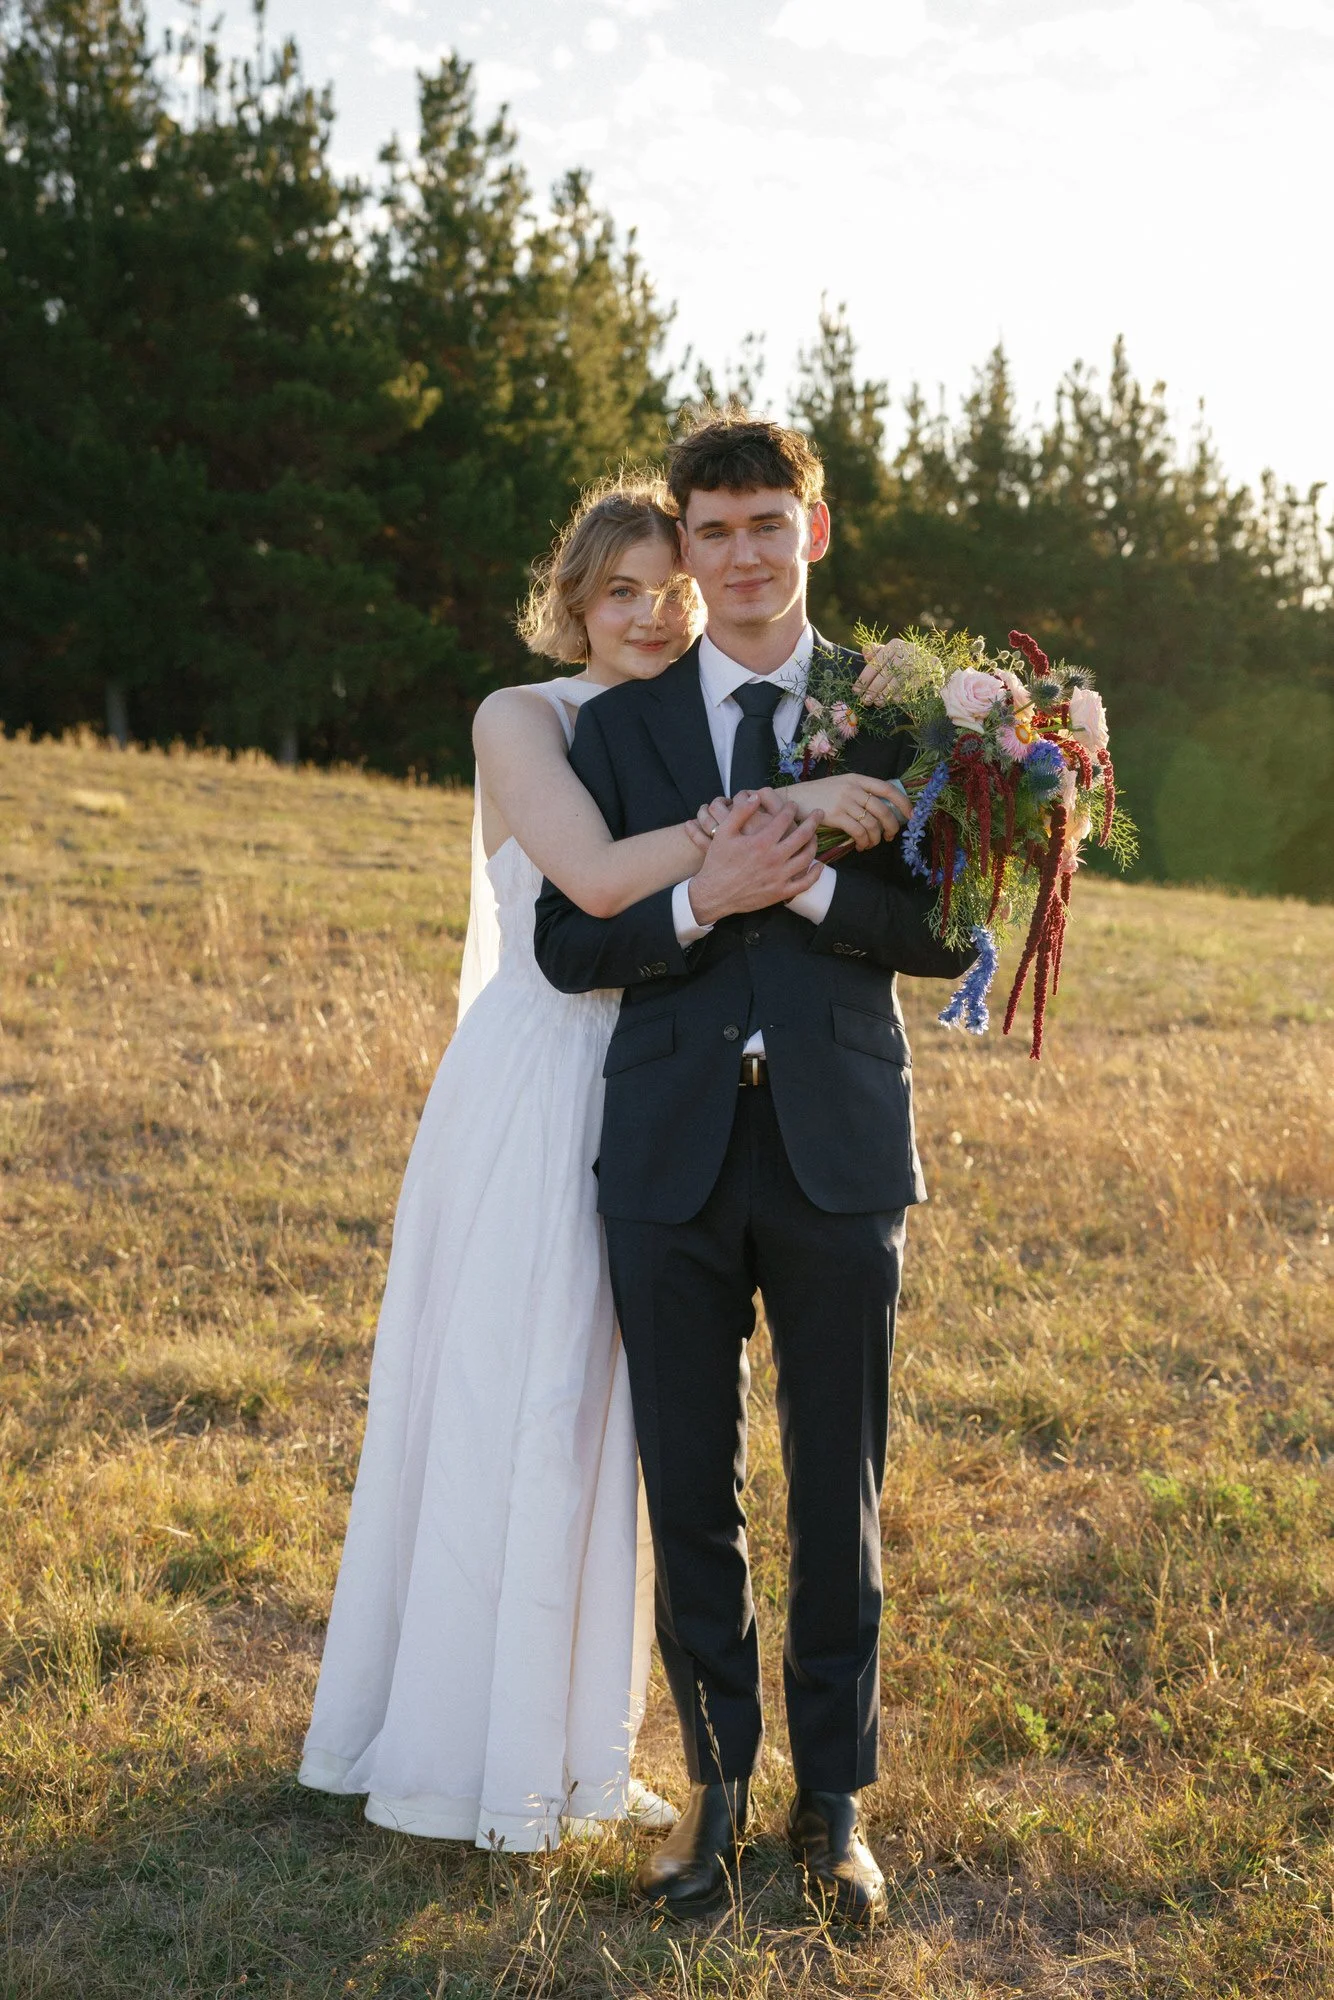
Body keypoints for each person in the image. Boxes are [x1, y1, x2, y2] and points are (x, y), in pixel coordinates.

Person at [298, 474, 907, 1850]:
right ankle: (465, 1739)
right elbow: (586, 883)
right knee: (519, 1403)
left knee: (622, 1442)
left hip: (660, 1092)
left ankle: (575, 1744)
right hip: (537, 1087)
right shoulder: (525, 719)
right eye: (619, 591)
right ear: (570, 601)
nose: (652, 613)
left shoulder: (688, 723)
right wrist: (790, 808)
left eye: (669, 588)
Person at [534, 415, 975, 1920]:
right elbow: (569, 940)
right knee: (689, 1484)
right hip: (664, 1153)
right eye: (708, 531)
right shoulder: (618, 727)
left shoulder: (900, 714)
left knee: (835, 1486)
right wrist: (706, 897)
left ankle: (833, 1808)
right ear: (685, 538)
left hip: (838, 1149)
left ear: (814, 531)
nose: (733, 560)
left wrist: (803, 887)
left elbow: (945, 932)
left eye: (761, 528)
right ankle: (715, 1797)